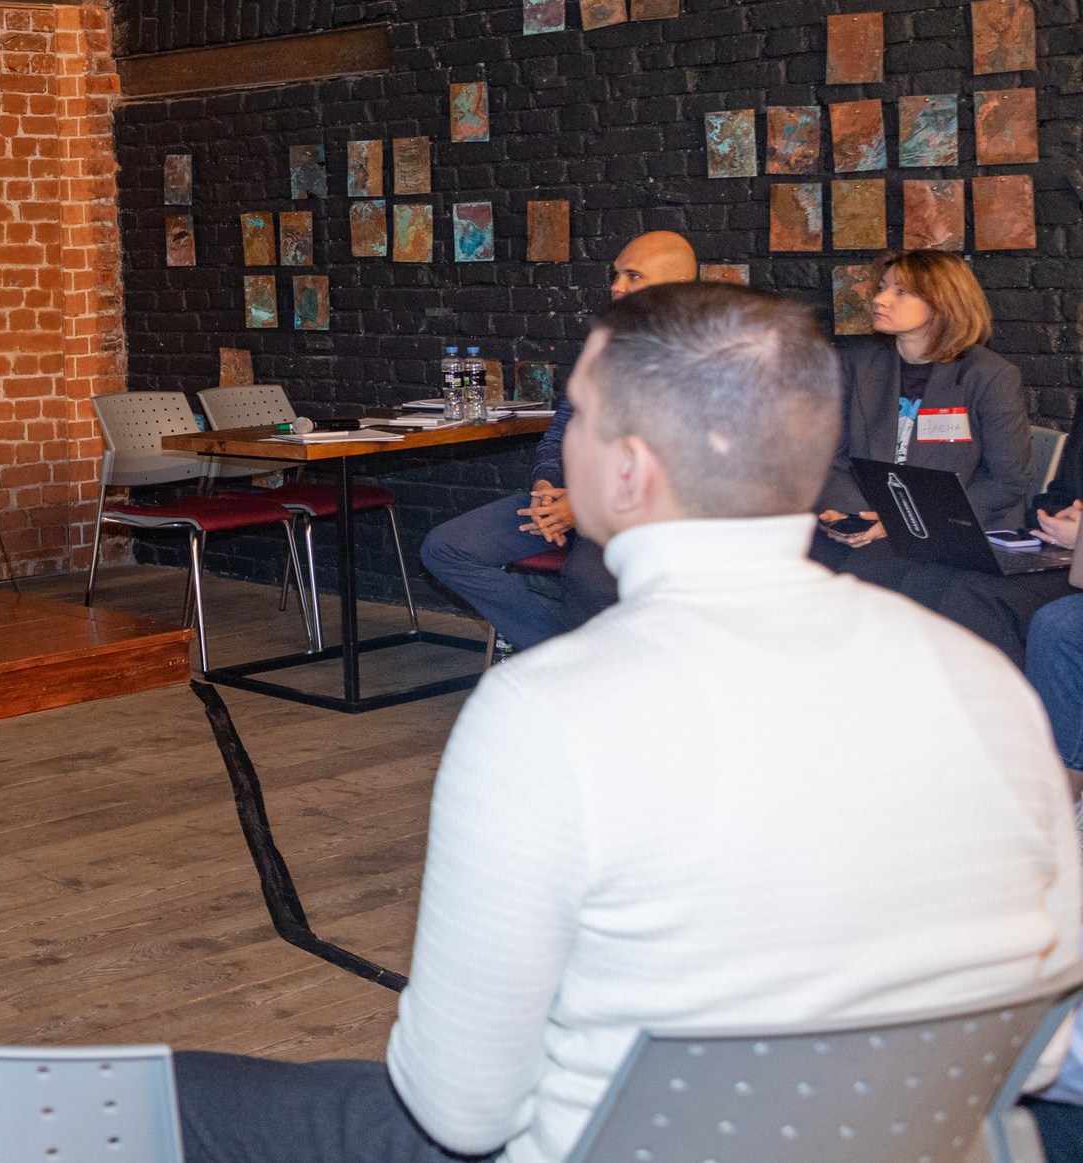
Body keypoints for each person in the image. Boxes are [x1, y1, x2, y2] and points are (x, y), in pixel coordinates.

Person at [174, 283, 1079, 1163]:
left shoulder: (546, 713)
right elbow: (1051, 1029)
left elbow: (460, 1109)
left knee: (171, 1096)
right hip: (937, 1133)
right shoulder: (984, 680)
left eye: (578, 416)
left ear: (628, 468)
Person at [415, 228, 696, 649]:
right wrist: (547, 485)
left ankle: (619, 682)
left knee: (589, 579)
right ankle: (560, 655)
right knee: (447, 548)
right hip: (574, 500)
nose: (617, 286)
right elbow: (561, 431)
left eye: (633, 276)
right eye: (616, 275)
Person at [812, 251, 1032, 598]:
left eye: (901, 292)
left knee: (864, 578)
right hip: (868, 520)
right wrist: (853, 518)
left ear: (943, 302)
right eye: (883, 288)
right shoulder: (855, 364)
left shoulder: (989, 376)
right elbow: (827, 459)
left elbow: (1006, 481)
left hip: (953, 533)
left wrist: (901, 525)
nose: (880, 300)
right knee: (794, 562)